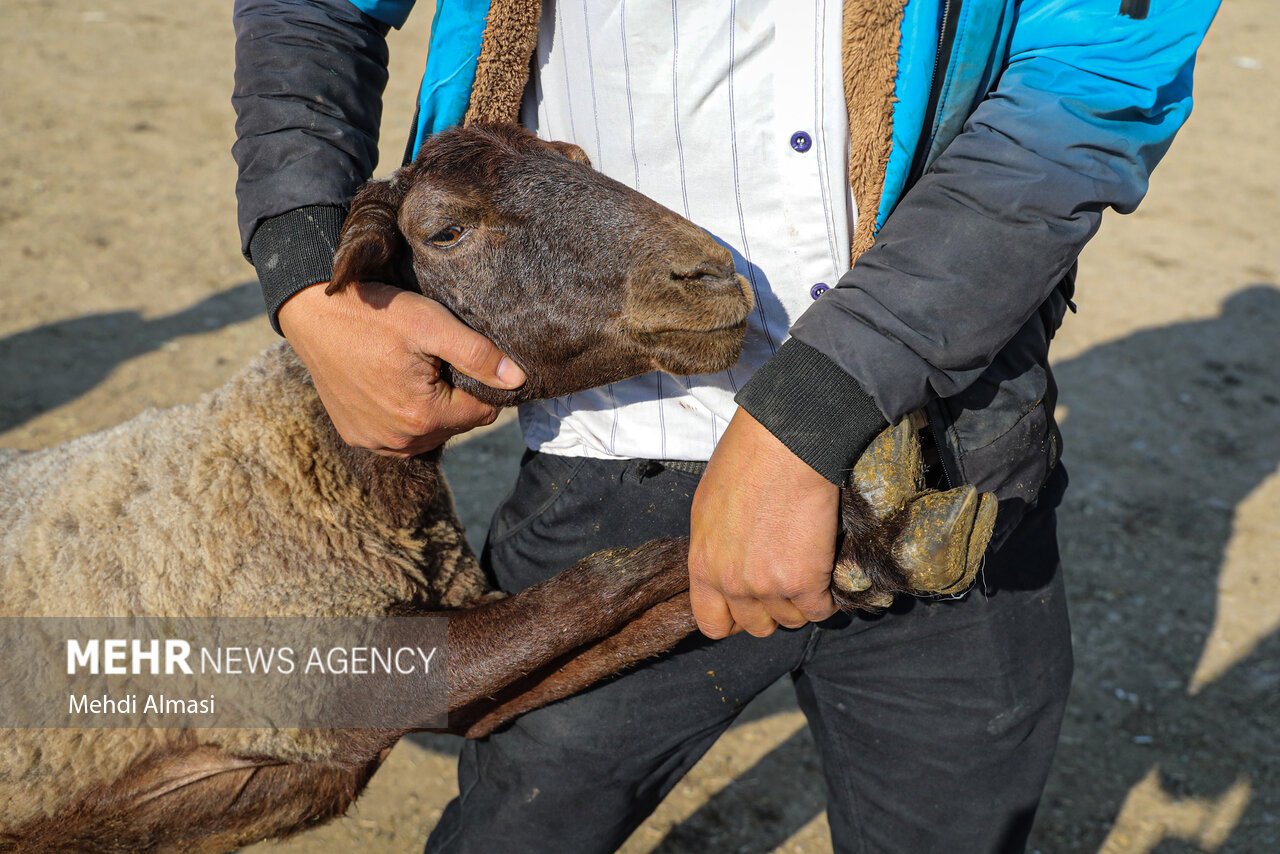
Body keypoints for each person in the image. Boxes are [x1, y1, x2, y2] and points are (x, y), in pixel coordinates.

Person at [232, 1, 1218, 850]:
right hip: (606, 449)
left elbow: (1090, 83)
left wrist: (813, 412)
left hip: (947, 459)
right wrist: (310, 272)